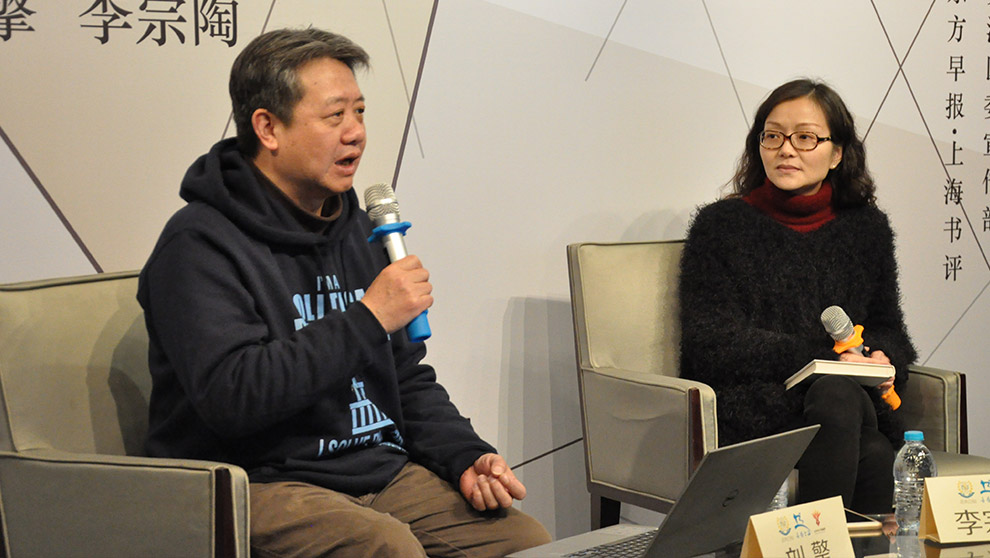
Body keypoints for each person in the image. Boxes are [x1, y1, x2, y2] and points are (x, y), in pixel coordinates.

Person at [138, 27, 550, 557]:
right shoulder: (198, 243)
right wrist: (368, 317)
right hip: (253, 480)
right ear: (268, 127)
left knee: (522, 542)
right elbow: (232, 397)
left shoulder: (357, 228)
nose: (355, 133)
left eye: (359, 113)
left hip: (373, 469)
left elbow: (404, 378)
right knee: (384, 547)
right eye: (334, 116)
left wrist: (464, 454)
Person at [678, 78, 917, 514]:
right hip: (759, 404)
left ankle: (808, 540)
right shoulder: (720, 227)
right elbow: (709, 340)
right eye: (773, 136)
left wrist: (883, 358)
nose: (786, 150)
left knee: (839, 397)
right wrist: (820, 359)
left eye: (805, 138)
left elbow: (888, 326)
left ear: (837, 153)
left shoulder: (867, 228)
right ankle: (832, 541)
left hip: (851, 400)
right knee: (874, 453)